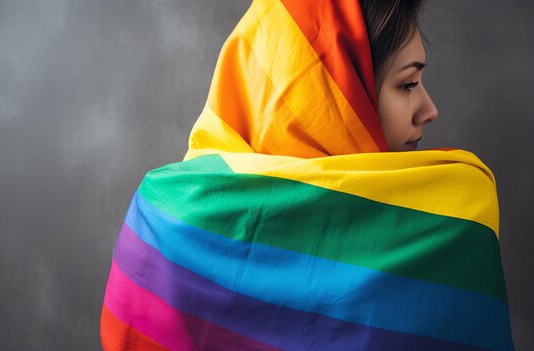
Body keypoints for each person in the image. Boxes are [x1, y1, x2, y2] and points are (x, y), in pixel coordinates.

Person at [100, 0, 514, 350]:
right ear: (339, 97)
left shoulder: (162, 223)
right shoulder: (455, 218)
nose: (429, 108)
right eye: (407, 84)